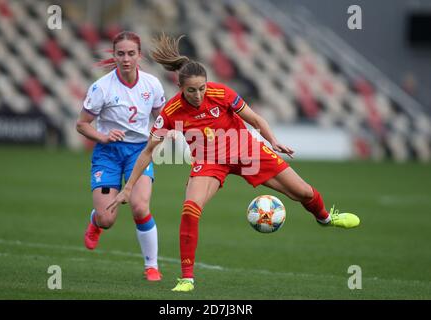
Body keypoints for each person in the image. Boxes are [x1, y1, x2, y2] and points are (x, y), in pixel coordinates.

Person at [107, 34, 360, 291]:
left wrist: (272, 141)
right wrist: (128, 187)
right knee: (190, 208)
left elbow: (256, 120)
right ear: (181, 88)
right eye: (191, 90)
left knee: (304, 192)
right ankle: (186, 278)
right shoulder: (171, 111)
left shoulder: (221, 93)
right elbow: (149, 151)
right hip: (209, 161)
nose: (198, 95)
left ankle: (326, 218)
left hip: (246, 150)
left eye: (202, 88)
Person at [76, 31, 165, 281]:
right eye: (121, 54)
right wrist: (102, 137)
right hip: (108, 152)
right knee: (107, 220)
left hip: (139, 151)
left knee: (139, 206)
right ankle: (96, 221)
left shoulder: (152, 84)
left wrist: (169, 132)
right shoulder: (101, 87)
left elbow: (162, 117)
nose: (126, 59)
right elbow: (81, 124)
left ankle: (152, 266)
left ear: (139, 56)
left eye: (131, 54)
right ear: (114, 55)